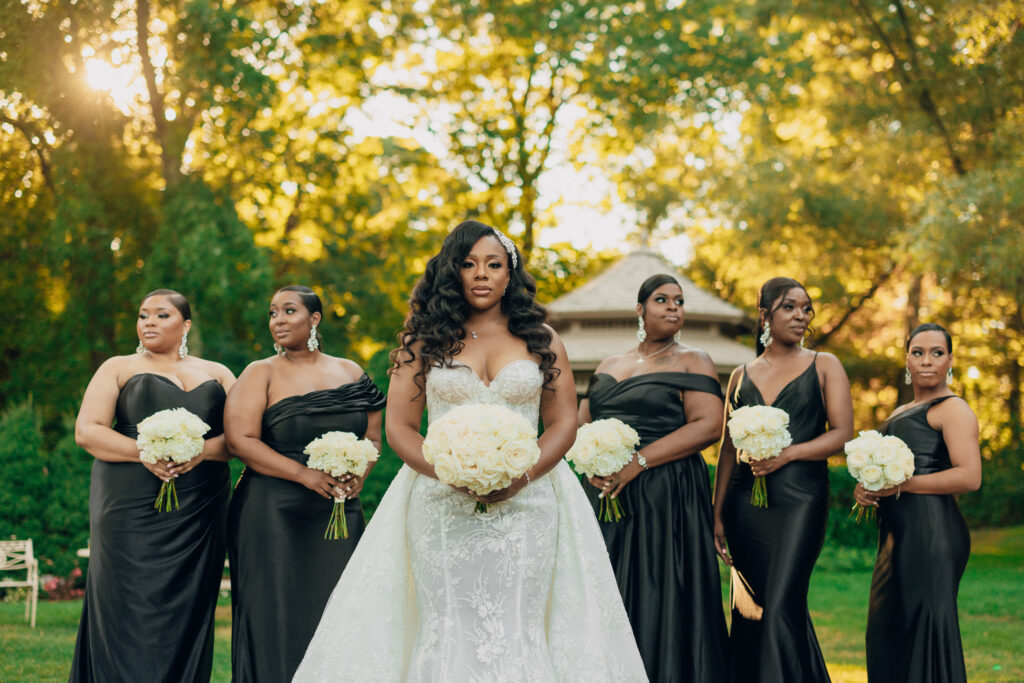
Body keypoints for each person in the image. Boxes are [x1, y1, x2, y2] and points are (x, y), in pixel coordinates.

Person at [294, 220, 646, 681]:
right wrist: (448, 472)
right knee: (447, 622)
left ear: (509, 274)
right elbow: (400, 427)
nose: (481, 274)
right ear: (452, 272)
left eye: (493, 264)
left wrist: (521, 475)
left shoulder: (542, 339)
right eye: (468, 264)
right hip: (441, 501)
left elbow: (562, 422)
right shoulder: (423, 339)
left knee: (519, 622)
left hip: (531, 500)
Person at [69, 289, 235, 682]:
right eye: (144, 315)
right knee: (124, 600)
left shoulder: (219, 372)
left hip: (199, 507)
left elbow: (242, 436)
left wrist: (201, 453)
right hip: (128, 504)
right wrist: (143, 452)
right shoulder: (117, 366)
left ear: (186, 325)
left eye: (162, 315)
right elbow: (87, 431)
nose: (149, 323)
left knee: (189, 601)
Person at [224, 285, 385, 682]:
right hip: (272, 510)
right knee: (275, 612)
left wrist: (358, 476)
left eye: (289, 311)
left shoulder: (350, 371)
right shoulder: (259, 373)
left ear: (314, 319)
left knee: (339, 606)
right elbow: (240, 440)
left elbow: (374, 436)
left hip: (338, 508)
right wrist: (303, 475)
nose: (277, 320)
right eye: (273, 312)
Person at [578, 273, 729, 681]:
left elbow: (708, 425)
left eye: (679, 301)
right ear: (640, 309)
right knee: (608, 588)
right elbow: (581, 424)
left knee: (659, 590)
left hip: (668, 493)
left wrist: (638, 462)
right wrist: (590, 464)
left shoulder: (693, 359)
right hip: (607, 495)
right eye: (662, 299)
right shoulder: (611, 364)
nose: (673, 307)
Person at [712, 277, 854, 683]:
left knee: (781, 604)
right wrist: (717, 514)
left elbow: (842, 433)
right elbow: (726, 448)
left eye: (806, 308)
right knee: (751, 607)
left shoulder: (824, 364)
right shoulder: (741, 374)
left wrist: (788, 454)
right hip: (744, 505)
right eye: (790, 307)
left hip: (800, 500)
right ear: (765, 315)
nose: (801, 316)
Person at [856, 323, 981, 683]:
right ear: (907, 359)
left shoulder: (953, 409)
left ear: (950, 361)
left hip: (933, 534)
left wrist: (901, 485)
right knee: (885, 631)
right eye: (918, 352)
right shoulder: (900, 410)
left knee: (924, 632)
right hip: (897, 536)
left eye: (937, 353)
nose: (927, 361)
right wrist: (867, 489)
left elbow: (970, 476)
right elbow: (885, 475)